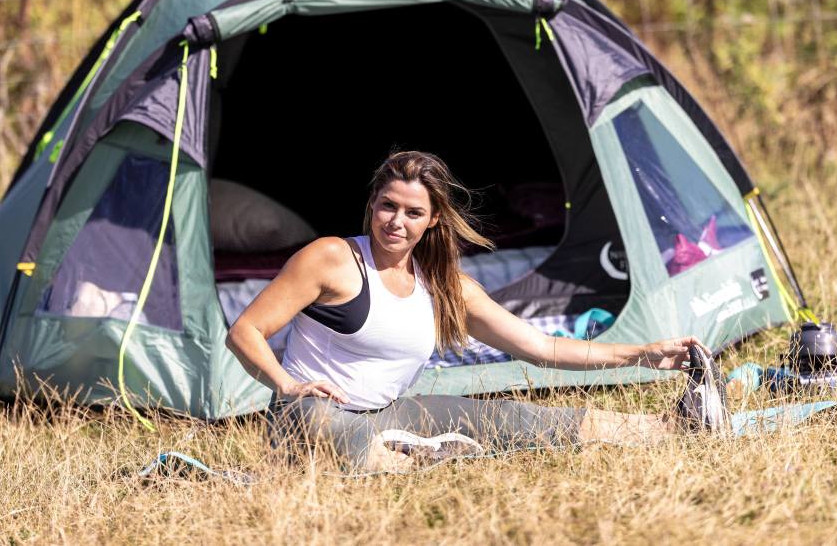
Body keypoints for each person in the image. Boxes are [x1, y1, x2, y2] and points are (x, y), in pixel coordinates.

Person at [225, 150, 727, 472]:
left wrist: (641, 353)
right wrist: (287, 385)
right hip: (307, 415)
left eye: (413, 212)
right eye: (387, 206)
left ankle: (677, 427)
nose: (396, 222)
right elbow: (245, 331)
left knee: (512, 418)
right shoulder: (332, 258)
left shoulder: (447, 288)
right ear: (372, 204)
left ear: (433, 219)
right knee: (323, 424)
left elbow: (540, 348)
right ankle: (408, 460)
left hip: (389, 416)